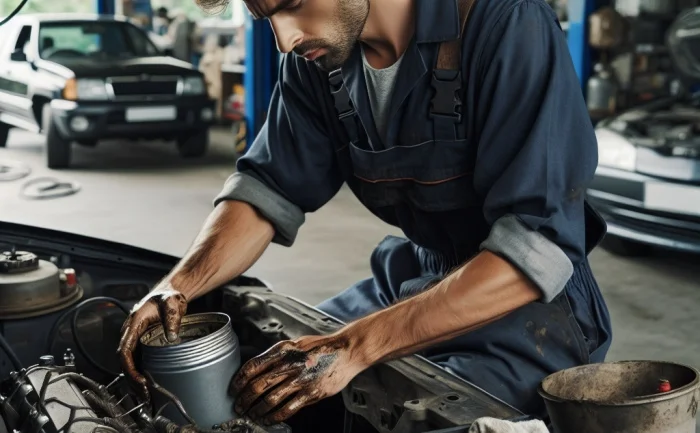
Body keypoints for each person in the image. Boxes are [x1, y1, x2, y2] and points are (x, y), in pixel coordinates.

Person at [118, 0, 614, 425]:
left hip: (530, 312)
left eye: (290, 4)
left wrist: (355, 347)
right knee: (265, 384)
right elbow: (267, 189)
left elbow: (537, 246)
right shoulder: (318, 61)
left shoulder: (505, 24)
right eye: (264, 17)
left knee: (427, 421)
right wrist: (179, 284)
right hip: (414, 276)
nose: (284, 39)